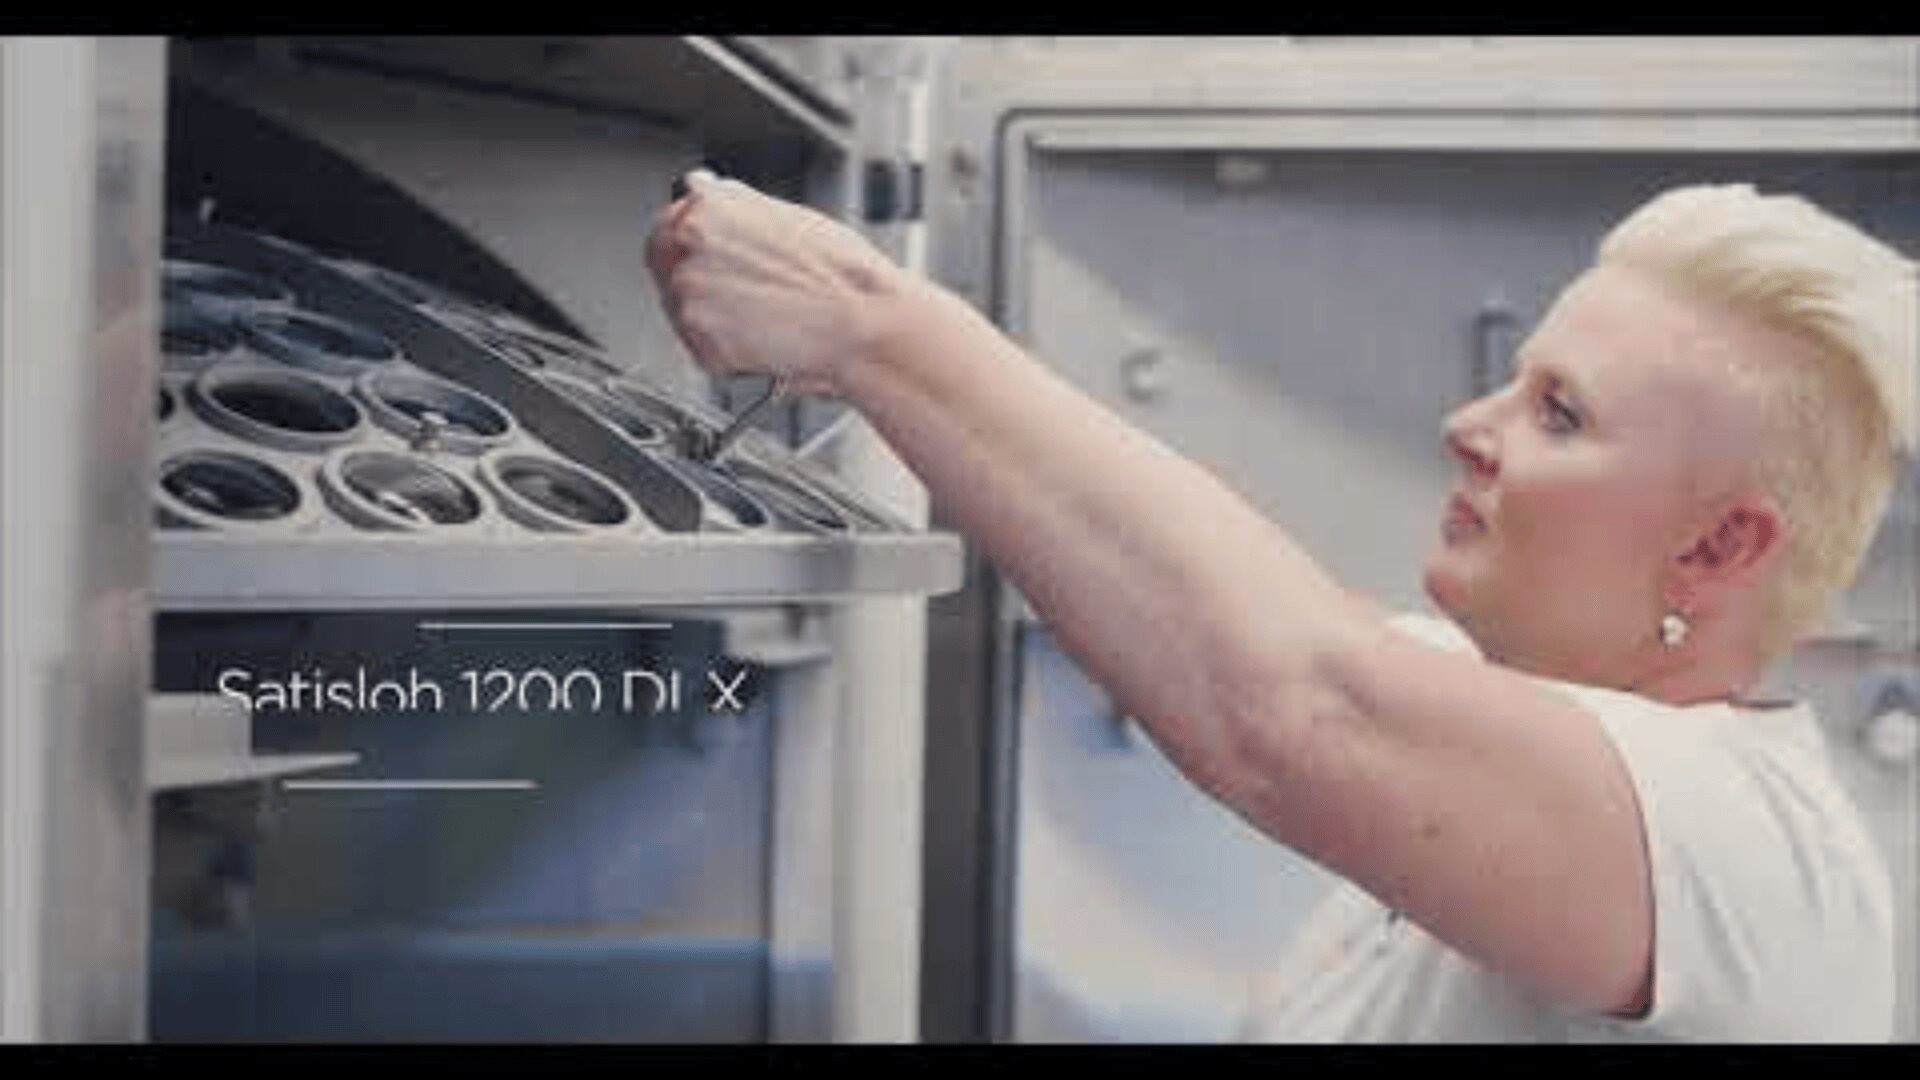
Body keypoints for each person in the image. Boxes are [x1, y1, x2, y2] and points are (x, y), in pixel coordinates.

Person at [647, 172, 1913, 1042]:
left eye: (1558, 413)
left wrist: (865, 322)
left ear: (1718, 545)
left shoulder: (1753, 845)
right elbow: (1241, 638)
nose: (1469, 428)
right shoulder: (1487, 718)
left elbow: (1296, 705)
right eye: (1512, 386)